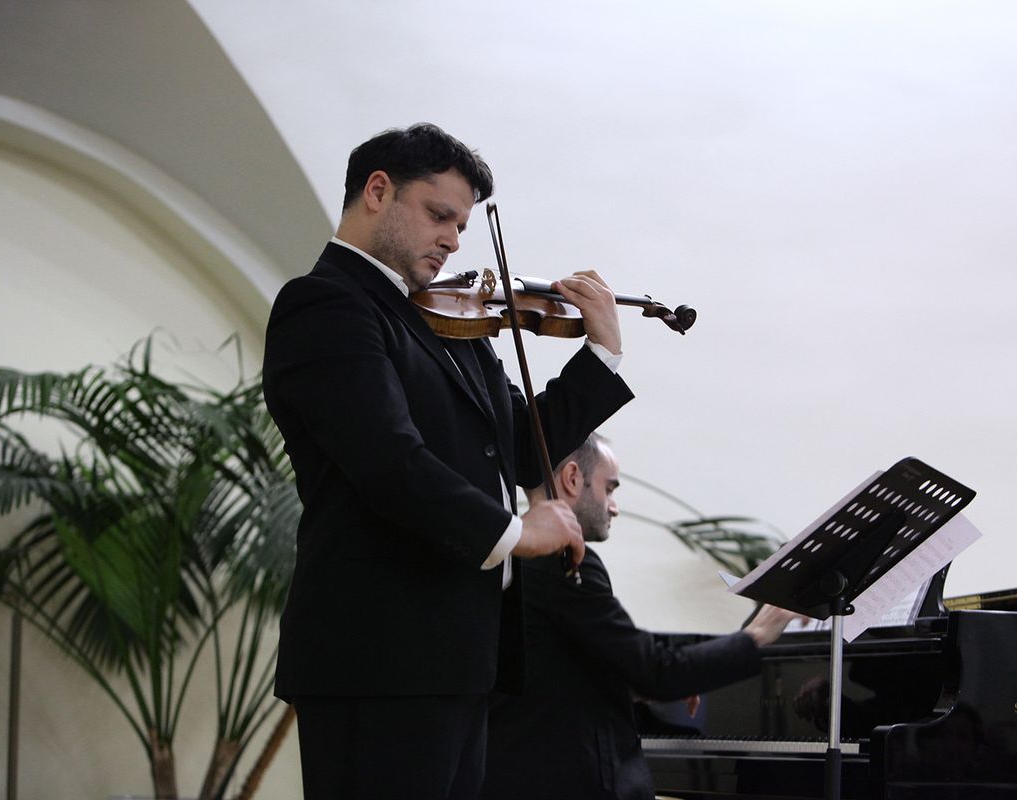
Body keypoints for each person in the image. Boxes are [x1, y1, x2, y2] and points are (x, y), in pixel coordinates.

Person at [262, 123, 634, 800]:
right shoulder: (325, 303)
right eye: (439, 215)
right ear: (378, 191)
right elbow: (389, 462)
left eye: (462, 226)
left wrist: (601, 356)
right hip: (376, 661)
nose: (454, 241)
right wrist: (517, 532)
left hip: (459, 660)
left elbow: (521, 447)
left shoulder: (447, 322)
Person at [481, 433, 801, 800]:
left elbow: (554, 672)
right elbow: (655, 672)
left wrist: (631, 684)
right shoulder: (561, 561)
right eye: (609, 488)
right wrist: (758, 633)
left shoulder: (510, 558)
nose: (614, 507)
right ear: (572, 478)